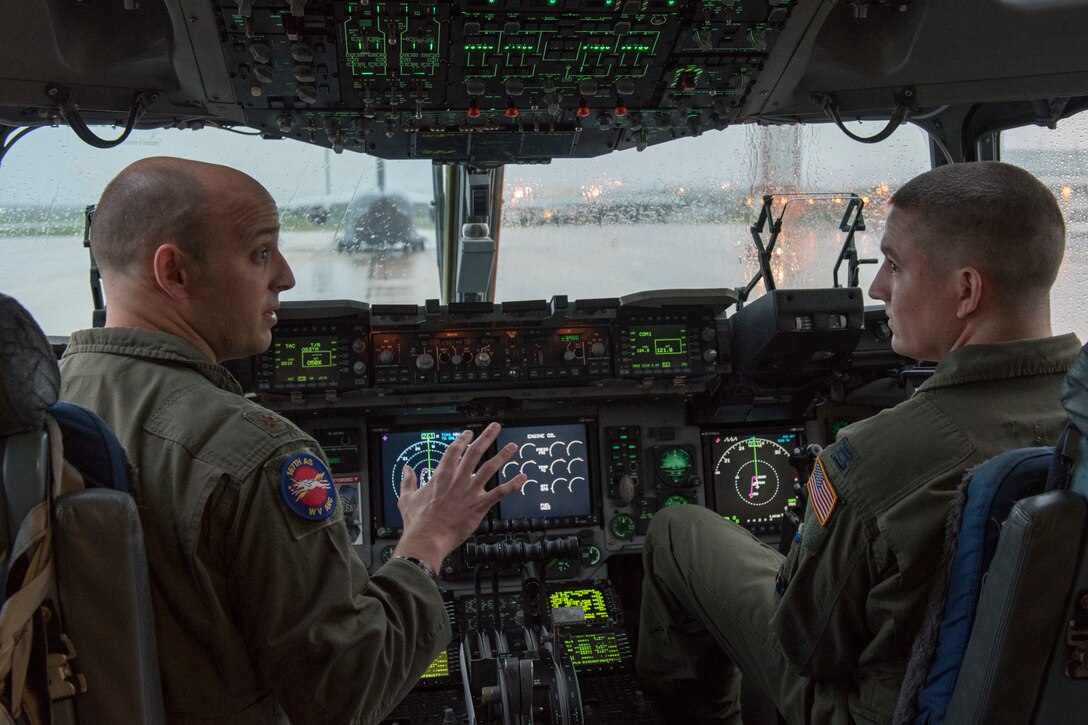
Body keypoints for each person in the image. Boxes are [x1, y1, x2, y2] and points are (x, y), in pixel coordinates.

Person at [58, 157, 527, 725]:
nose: (285, 276)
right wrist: (427, 542)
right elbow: (347, 694)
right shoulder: (255, 454)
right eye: (261, 253)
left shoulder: (49, 403)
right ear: (175, 273)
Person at [635, 161, 1082, 724]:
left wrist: (805, 554)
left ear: (966, 290)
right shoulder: (1080, 427)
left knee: (678, 531)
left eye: (894, 265)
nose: (877, 288)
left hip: (881, 713)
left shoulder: (877, 458)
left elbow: (807, 644)